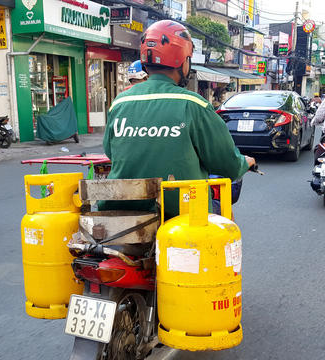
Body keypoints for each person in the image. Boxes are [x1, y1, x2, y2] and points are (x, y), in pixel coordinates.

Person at [102, 20, 255, 218]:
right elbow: (227, 164)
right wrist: (246, 162)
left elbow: (111, 152)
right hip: (183, 216)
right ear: (183, 61)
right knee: (226, 221)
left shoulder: (120, 102)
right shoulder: (194, 105)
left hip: (122, 213)